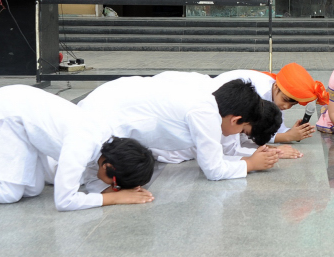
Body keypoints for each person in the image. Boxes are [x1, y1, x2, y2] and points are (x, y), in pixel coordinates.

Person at [0, 86, 155, 213]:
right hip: (8, 114)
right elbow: (64, 200)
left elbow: (91, 181)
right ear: (109, 166)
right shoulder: (83, 143)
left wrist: (119, 188)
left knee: (32, 188)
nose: (112, 187)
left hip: (22, 121)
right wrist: (113, 198)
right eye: (114, 181)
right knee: (8, 191)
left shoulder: (105, 146)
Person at [79, 76, 281, 179]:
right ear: (235, 119)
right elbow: (213, 169)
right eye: (243, 131)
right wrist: (251, 164)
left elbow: (211, 156)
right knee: (66, 171)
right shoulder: (206, 115)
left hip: (109, 100)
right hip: (100, 117)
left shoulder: (207, 103)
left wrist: (249, 159)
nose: (238, 136)